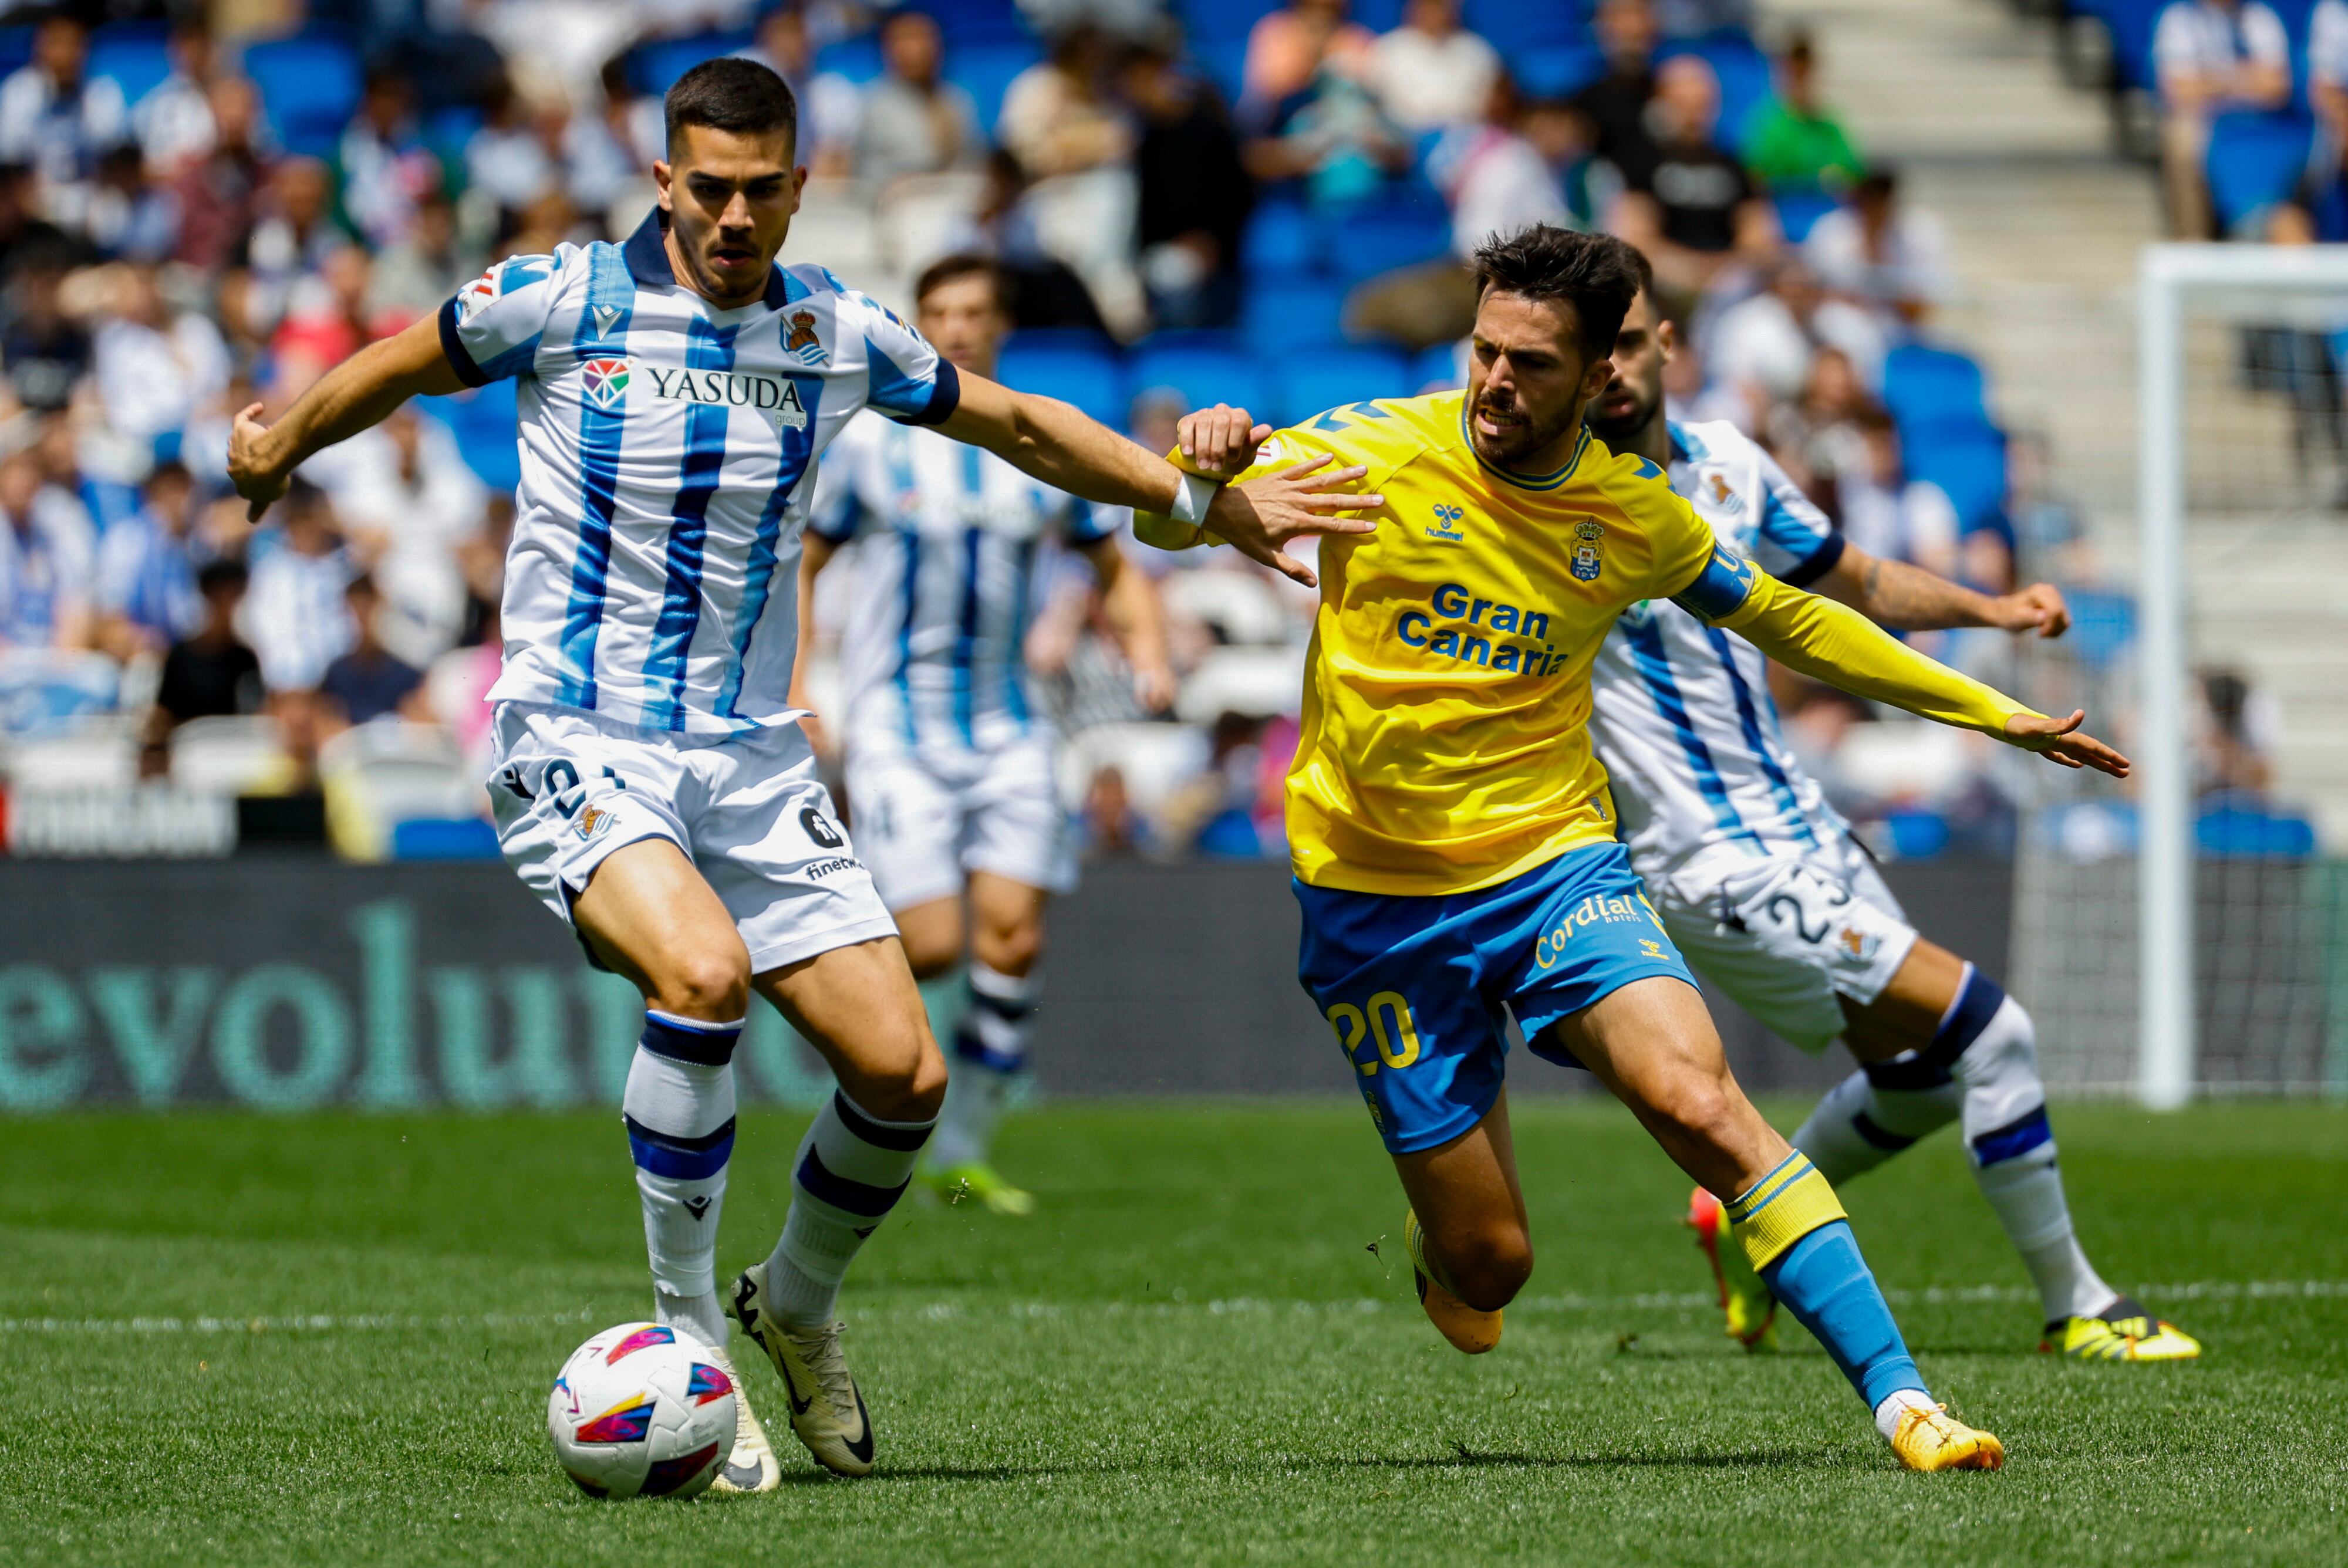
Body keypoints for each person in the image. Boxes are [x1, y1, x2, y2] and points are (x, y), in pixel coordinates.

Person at [225, 57, 1364, 1491]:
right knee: (696, 975)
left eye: (763, 190)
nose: (734, 216)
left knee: (903, 1073)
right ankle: (689, 1341)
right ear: (661, 180)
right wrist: (276, 440)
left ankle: (795, 1304)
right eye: (708, 188)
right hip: (575, 730)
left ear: (800, 186)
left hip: (751, 756)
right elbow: (396, 362)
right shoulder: (560, 298)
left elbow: (1012, 423)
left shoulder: (834, 328)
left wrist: (1199, 499)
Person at [1149, 226, 2134, 1471]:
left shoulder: (1631, 514)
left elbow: (1791, 619)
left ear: (1592, 380)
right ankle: (1440, 1221)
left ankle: (1904, 1404)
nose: (1493, 383)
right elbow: (1178, 523)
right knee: (1487, 1274)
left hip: (1556, 866)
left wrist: (1991, 709)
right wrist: (1201, 468)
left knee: (1697, 1100)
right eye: (1482, 351)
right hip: (1375, 899)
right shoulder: (1373, 446)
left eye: (1529, 365)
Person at [1581, 273, 2202, 1363]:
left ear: (1665, 340)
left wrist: (1991, 608)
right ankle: (2081, 1307)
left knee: (1922, 1078)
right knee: (1995, 1031)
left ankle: (1738, 1218)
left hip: (1805, 824)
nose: (1613, 370)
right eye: (1590, 353)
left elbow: (1850, 576)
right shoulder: (1557, 503)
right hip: (1710, 862)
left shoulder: (1729, 463)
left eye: (1628, 342)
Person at [797, 253, 1175, 1215]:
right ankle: (890, 1091)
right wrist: (801, 682)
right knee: (929, 945)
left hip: (1011, 724)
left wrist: (1149, 650)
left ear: (1000, 324)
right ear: (918, 324)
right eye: (939, 313)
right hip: (897, 723)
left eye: (974, 311)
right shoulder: (870, 445)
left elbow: (1113, 560)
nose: (957, 328)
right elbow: (804, 562)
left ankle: (961, 1150)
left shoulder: (1032, 439)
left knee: (1009, 937)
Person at [2150, 0, 2289, 238]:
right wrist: (2246, 77)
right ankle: (2193, 243)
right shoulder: (2179, 19)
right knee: (2182, 138)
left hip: (2257, 122)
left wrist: (2212, 80)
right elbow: (2181, 91)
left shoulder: (2261, 16)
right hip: (2204, 121)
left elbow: (2277, 87)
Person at [1363, 0, 1501, 134]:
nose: (1433, 13)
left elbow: (1492, 105)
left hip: (1467, 137)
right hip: (1404, 140)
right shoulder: (1387, 49)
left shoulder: (1477, 51)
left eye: (1439, 6)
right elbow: (1371, 105)